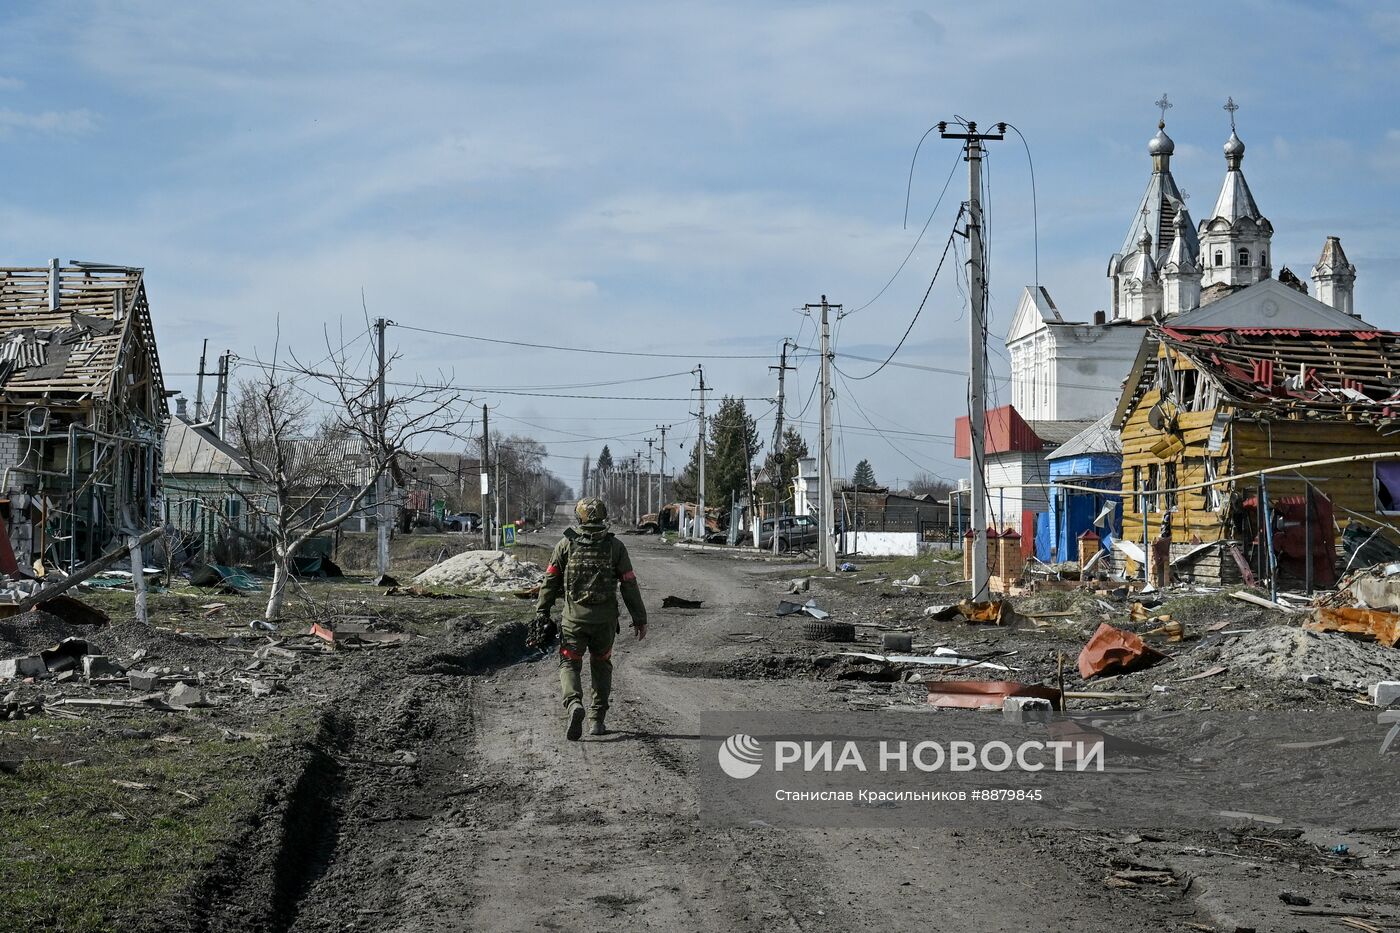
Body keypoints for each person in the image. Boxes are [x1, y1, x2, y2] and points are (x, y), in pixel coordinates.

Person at [535, 497, 648, 740]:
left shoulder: (565, 545)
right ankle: (597, 720)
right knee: (601, 664)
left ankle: (574, 704)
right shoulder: (615, 546)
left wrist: (541, 612)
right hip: (604, 624)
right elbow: (629, 584)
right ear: (604, 516)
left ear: (579, 517)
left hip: (573, 621)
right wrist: (639, 618)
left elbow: (550, 581)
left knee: (569, 663)